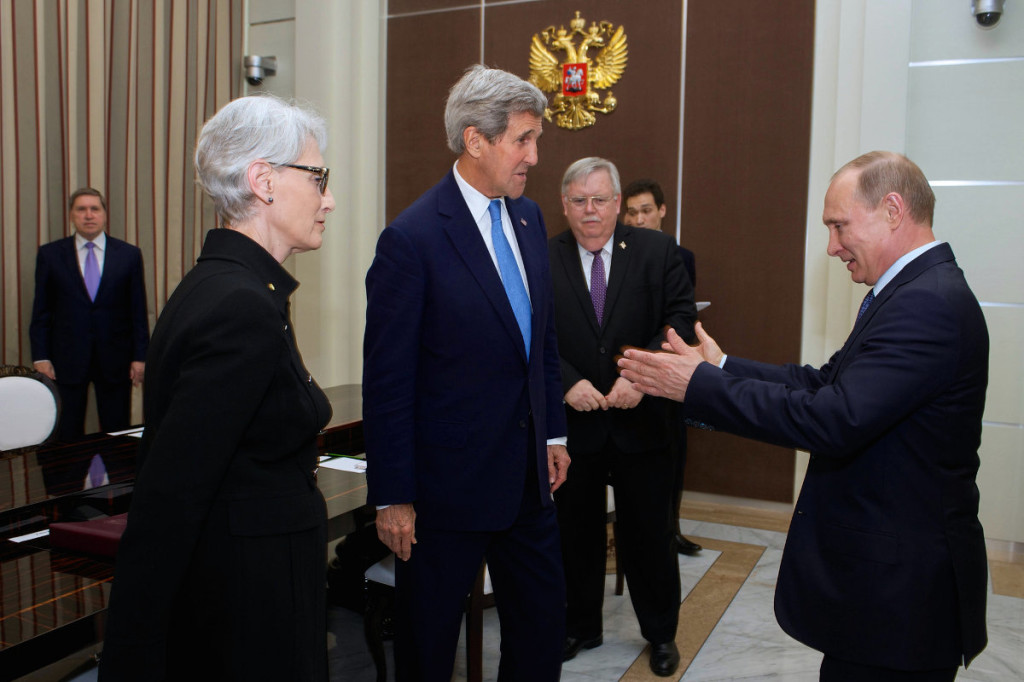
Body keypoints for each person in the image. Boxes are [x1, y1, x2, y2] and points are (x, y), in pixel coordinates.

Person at [618, 151, 989, 681]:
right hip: (883, 592)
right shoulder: (910, 293)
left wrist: (700, 387)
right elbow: (823, 383)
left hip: (900, 600)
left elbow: (833, 419)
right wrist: (719, 367)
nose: (833, 247)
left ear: (891, 210)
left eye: (839, 226)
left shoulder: (926, 303)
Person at [99, 94, 336, 681]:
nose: (328, 197)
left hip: (253, 585)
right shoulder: (241, 305)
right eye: (317, 176)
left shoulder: (233, 288)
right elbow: (172, 493)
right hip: (248, 609)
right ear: (263, 180)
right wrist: (132, 649)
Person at [363, 64, 570, 681]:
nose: (534, 156)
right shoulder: (412, 238)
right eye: (523, 140)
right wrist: (394, 494)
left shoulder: (530, 220)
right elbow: (388, 381)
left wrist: (553, 433)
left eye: (537, 140)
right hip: (444, 492)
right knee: (429, 648)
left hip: (530, 482)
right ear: (476, 140)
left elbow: (543, 344)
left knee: (539, 633)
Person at [549, 158, 697, 676]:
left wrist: (642, 375)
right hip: (577, 427)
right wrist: (567, 382)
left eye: (600, 199)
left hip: (644, 420)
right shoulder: (544, 256)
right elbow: (533, 332)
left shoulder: (658, 251)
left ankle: (660, 635)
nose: (590, 211)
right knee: (575, 535)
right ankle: (579, 626)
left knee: (650, 536)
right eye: (578, 201)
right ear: (565, 205)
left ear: (617, 203)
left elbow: (680, 320)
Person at [622, 177, 702, 556]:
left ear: (662, 212)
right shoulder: (610, 254)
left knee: (672, 454)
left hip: (667, 368)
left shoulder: (678, 256)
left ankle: (670, 528)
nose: (638, 220)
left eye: (646, 211)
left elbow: (680, 313)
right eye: (631, 212)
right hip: (621, 373)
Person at [29, 188, 149, 440]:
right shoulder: (50, 255)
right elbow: (41, 312)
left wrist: (140, 357)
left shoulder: (128, 255)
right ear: (72, 215)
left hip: (116, 360)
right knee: (65, 432)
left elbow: (138, 310)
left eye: (95, 209)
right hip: (66, 361)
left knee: (117, 431)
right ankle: (68, 480)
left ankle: (118, 479)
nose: (88, 215)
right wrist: (40, 356)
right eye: (81, 209)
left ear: (104, 214)